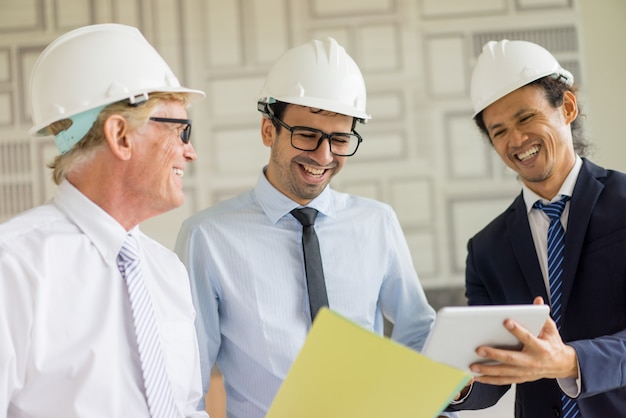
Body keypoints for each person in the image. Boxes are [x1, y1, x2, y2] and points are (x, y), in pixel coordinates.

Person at [175, 37, 437, 418]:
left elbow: (418, 329)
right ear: (269, 130)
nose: (324, 155)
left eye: (340, 139)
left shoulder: (376, 222)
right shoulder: (207, 237)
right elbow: (189, 382)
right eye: (308, 135)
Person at [0, 24, 209, 417]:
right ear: (120, 136)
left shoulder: (167, 271)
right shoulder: (12, 267)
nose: (190, 152)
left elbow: (186, 409)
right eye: (180, 131)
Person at [445, 39, 626, 417]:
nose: (516, 140)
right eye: (499, 131)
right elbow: (491, 372)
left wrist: (571, 360)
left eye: (526, 118)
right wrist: (459, 384)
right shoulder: (486, 250)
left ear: (568, 107)